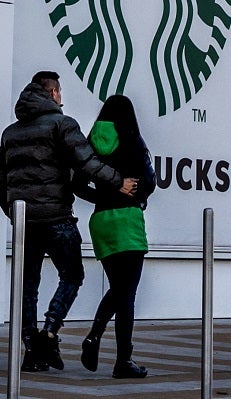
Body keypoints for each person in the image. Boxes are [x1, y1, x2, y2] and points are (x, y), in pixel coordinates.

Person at [0, 71, 136, 372]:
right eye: (59, 93)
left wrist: (14, 213)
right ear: (53, 93)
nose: (61, 98)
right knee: (72, 275)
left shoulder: (10, 133)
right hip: (57, 218)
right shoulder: (62, 124)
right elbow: (87, 162)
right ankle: (49, 332)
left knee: (27, 286)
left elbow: (2, 182)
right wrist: (119, 181)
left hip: (26, 223)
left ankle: (31, 350)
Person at [77, 94, 154, 379]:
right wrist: (135, 194)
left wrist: (104, 196)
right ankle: (123, 360)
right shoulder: (133, 140)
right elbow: (150, 182)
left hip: (101, 222)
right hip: (127, 222)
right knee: (126, 293)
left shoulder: (91, 143)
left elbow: (77, 185)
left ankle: (94, 337)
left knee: (119, 288)